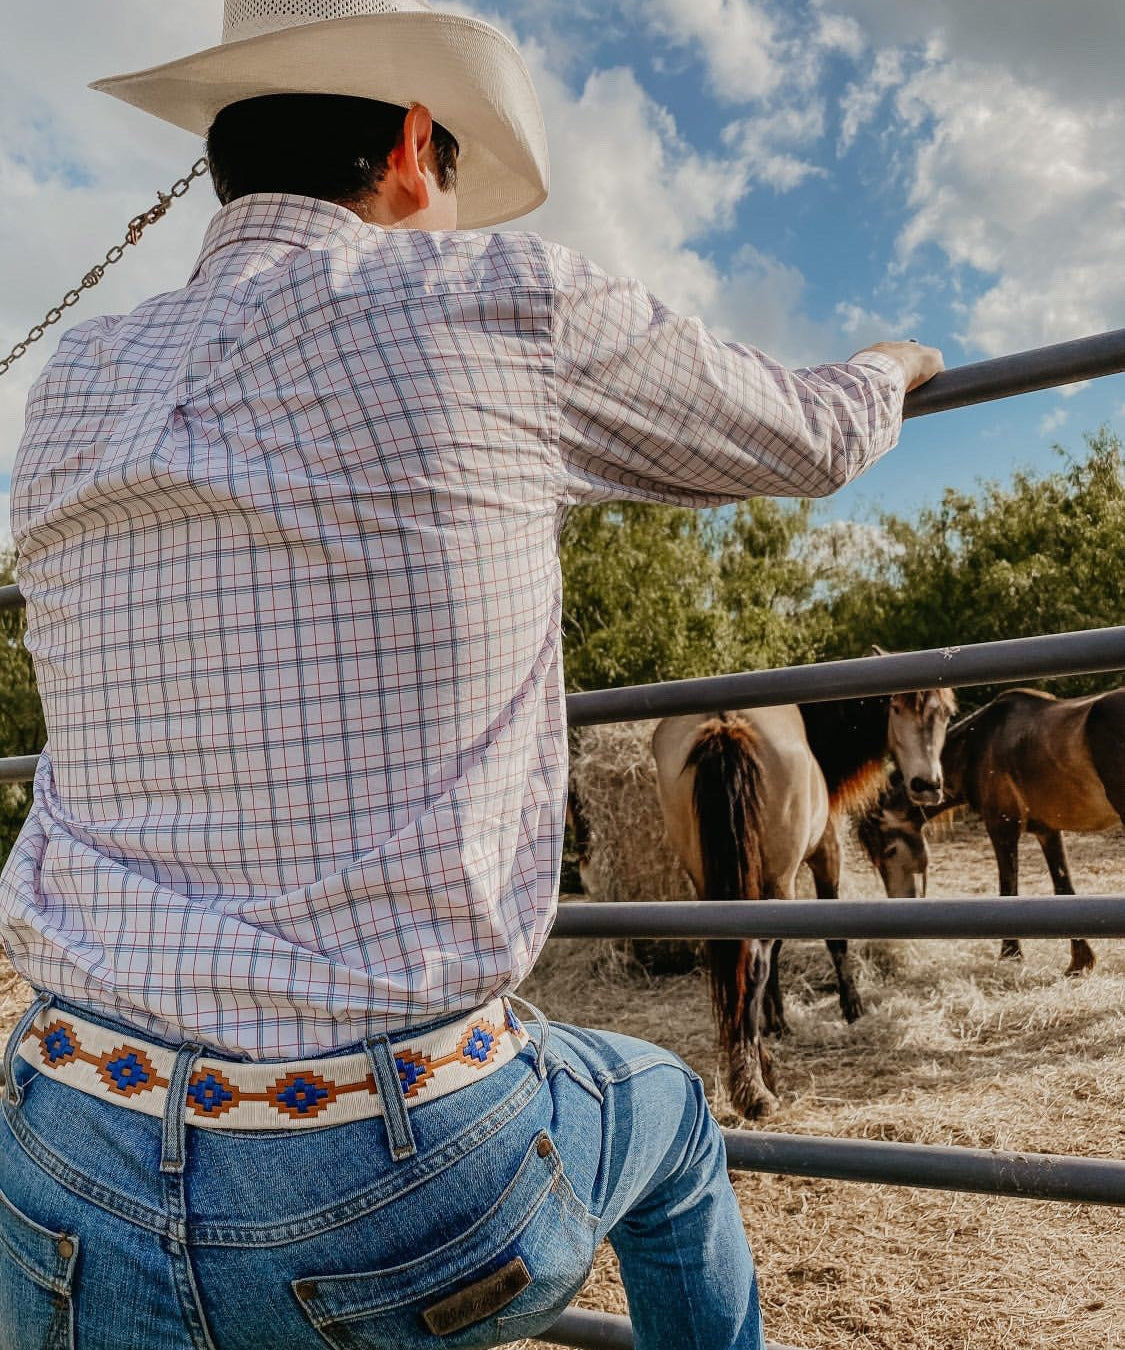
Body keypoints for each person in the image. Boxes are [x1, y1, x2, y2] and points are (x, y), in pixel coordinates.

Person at [0, 3, 943, 1348]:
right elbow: (813, 433)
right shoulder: (505, 299)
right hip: (385, 1175)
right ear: (407, 147)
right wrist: (895, 360)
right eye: (451, 174)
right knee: (668, 1118)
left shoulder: (78, 376)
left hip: (60, 1147)